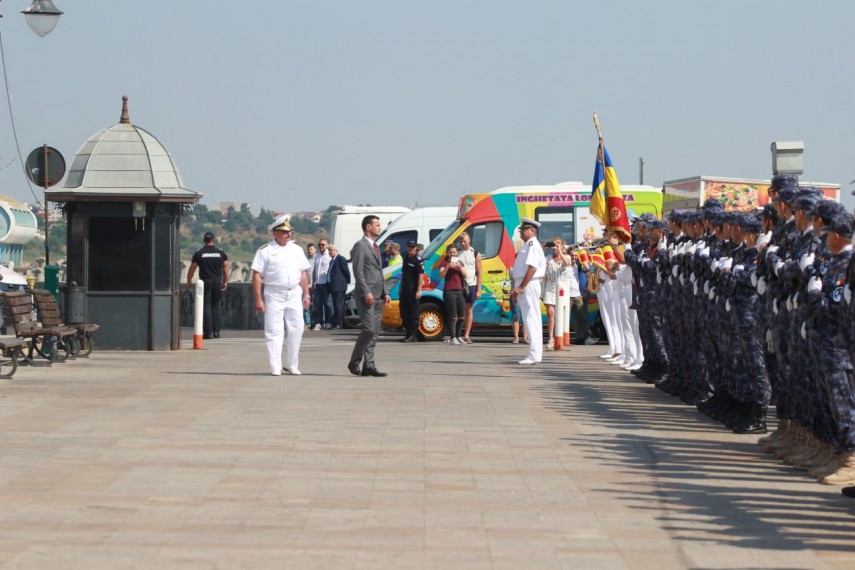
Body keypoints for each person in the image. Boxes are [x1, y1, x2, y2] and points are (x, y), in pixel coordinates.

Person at [251, 215, 311, 376]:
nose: (288, 235)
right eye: (284, 232)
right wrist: (258, 299)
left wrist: (307, 294)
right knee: (274, 331)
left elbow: (303, 273)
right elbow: (257, 275)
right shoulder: (265, 251)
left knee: (297, 328)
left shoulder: (297, 250)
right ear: (275, 233)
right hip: (274, 293)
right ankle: (275, 366)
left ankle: (291, 364)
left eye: (289, 231)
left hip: (293, 292)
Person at [348, 215, 391, 377]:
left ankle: (369, 365)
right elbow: (358, 271)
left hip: (378, 295)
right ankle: (354, 361)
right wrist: (366, 291)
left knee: (375, 331)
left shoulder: (375, 246)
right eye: (377, 225)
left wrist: (385, 292)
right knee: (369, 328)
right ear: (368, 227)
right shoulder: (360, 246)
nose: (380, 227)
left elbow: (379, 272)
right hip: (367, 295)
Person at [511, 217, 546, 364]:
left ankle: (534, 354)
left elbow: (532, 268)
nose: (521, 232)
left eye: (523, 230)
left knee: (531, 319)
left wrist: (520, 287)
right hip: (527, 284)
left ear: (532, 231)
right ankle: (534, 354)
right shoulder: (529, 245)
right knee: (529, 318)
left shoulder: (532, 245)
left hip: (529, 284)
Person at [186, 231, 229, 339]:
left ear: (204, 240)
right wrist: (224, 281)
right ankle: (216, 332)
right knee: (215, 306)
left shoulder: (199, 253)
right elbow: (225, 268)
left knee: (206, 306)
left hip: (204, 282)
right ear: (213, 239)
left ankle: (208, 333)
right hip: (216, 281)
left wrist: (189, 280)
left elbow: (192, 269)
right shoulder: (220, 253)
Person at [541, 237, 572, 350]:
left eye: (558, 244)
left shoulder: (567, 256)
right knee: (550, 312)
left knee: (561, 313)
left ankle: (560, 337)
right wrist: (542, 249)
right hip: (550, 286)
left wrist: (560, 251)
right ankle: (550, 338)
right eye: (554, 244)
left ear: (562, 245)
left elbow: (567, 263)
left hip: (562, 287)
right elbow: (539, 264)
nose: (555, 246)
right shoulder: (548, 258)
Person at [439, 244, 467, 344]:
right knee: (453, 316)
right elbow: (441, 275)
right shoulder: (444, 263)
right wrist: (448, 266)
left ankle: (459, 336)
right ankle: (452, 337)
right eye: (450, 252)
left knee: (462, 316)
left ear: (457, 253)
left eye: (454, 252)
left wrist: (460, 267)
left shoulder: (459, 262)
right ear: (447, 253)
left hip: (460, 291)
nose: (452, 254)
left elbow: (465, 275)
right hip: (449, 291)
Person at [458, 232, 482, 344]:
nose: (463, 243)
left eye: (464, 241)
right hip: (459, 284)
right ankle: (456, 334)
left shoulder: (475, 253)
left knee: (469, 310)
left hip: (471, 284)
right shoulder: (457, 253)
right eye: (461, 241)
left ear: (469, 241)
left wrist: (479, 289)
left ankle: (466, 335)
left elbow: (479, 272)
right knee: (458, 310)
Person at [399, 240, 424, 342]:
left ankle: (414, 335)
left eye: (413, 247)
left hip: (413, 287)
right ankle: (408, 333)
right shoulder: (406, 258)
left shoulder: (418, 259)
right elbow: (403, 273)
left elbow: (421, 275)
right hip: (405, 287)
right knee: (404, 311)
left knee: (413, 311)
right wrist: (401, 287)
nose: (411, 248)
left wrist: (419, 290)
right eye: (409, 246)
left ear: (415, 248)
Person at [327, 244, 350, 329]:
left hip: (339, 286)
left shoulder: (340, 259)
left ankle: (339, 323)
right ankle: (335, 322)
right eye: (328, 250)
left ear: (336, 250)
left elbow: (346, 272)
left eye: (331, 250)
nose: (329, 252)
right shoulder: (332, 260)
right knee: (335, 305)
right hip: (333, 286)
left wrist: (346, 282)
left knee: (339, 305)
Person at [312, 239, 333, 330]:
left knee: (328, 304)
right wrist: (313, 282)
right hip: (318, 283)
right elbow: (315, 270)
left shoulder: (329, 256)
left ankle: (329, 322)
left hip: (326, 283)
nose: (321, 246)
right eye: (319, 245)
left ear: (326, 245)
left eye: (323, 245)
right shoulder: (317, 256)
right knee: (318, 304)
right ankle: (319, 322)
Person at [304, 243, 316, 330]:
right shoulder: (306, 261)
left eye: (311, 249)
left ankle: (316, 323)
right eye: (308, 249)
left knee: (316, 305)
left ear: (315, 250)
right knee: (307, 306)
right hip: (308, 286)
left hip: (316, 285)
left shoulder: (318, 259)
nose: (310, 251)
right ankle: (307, 324)